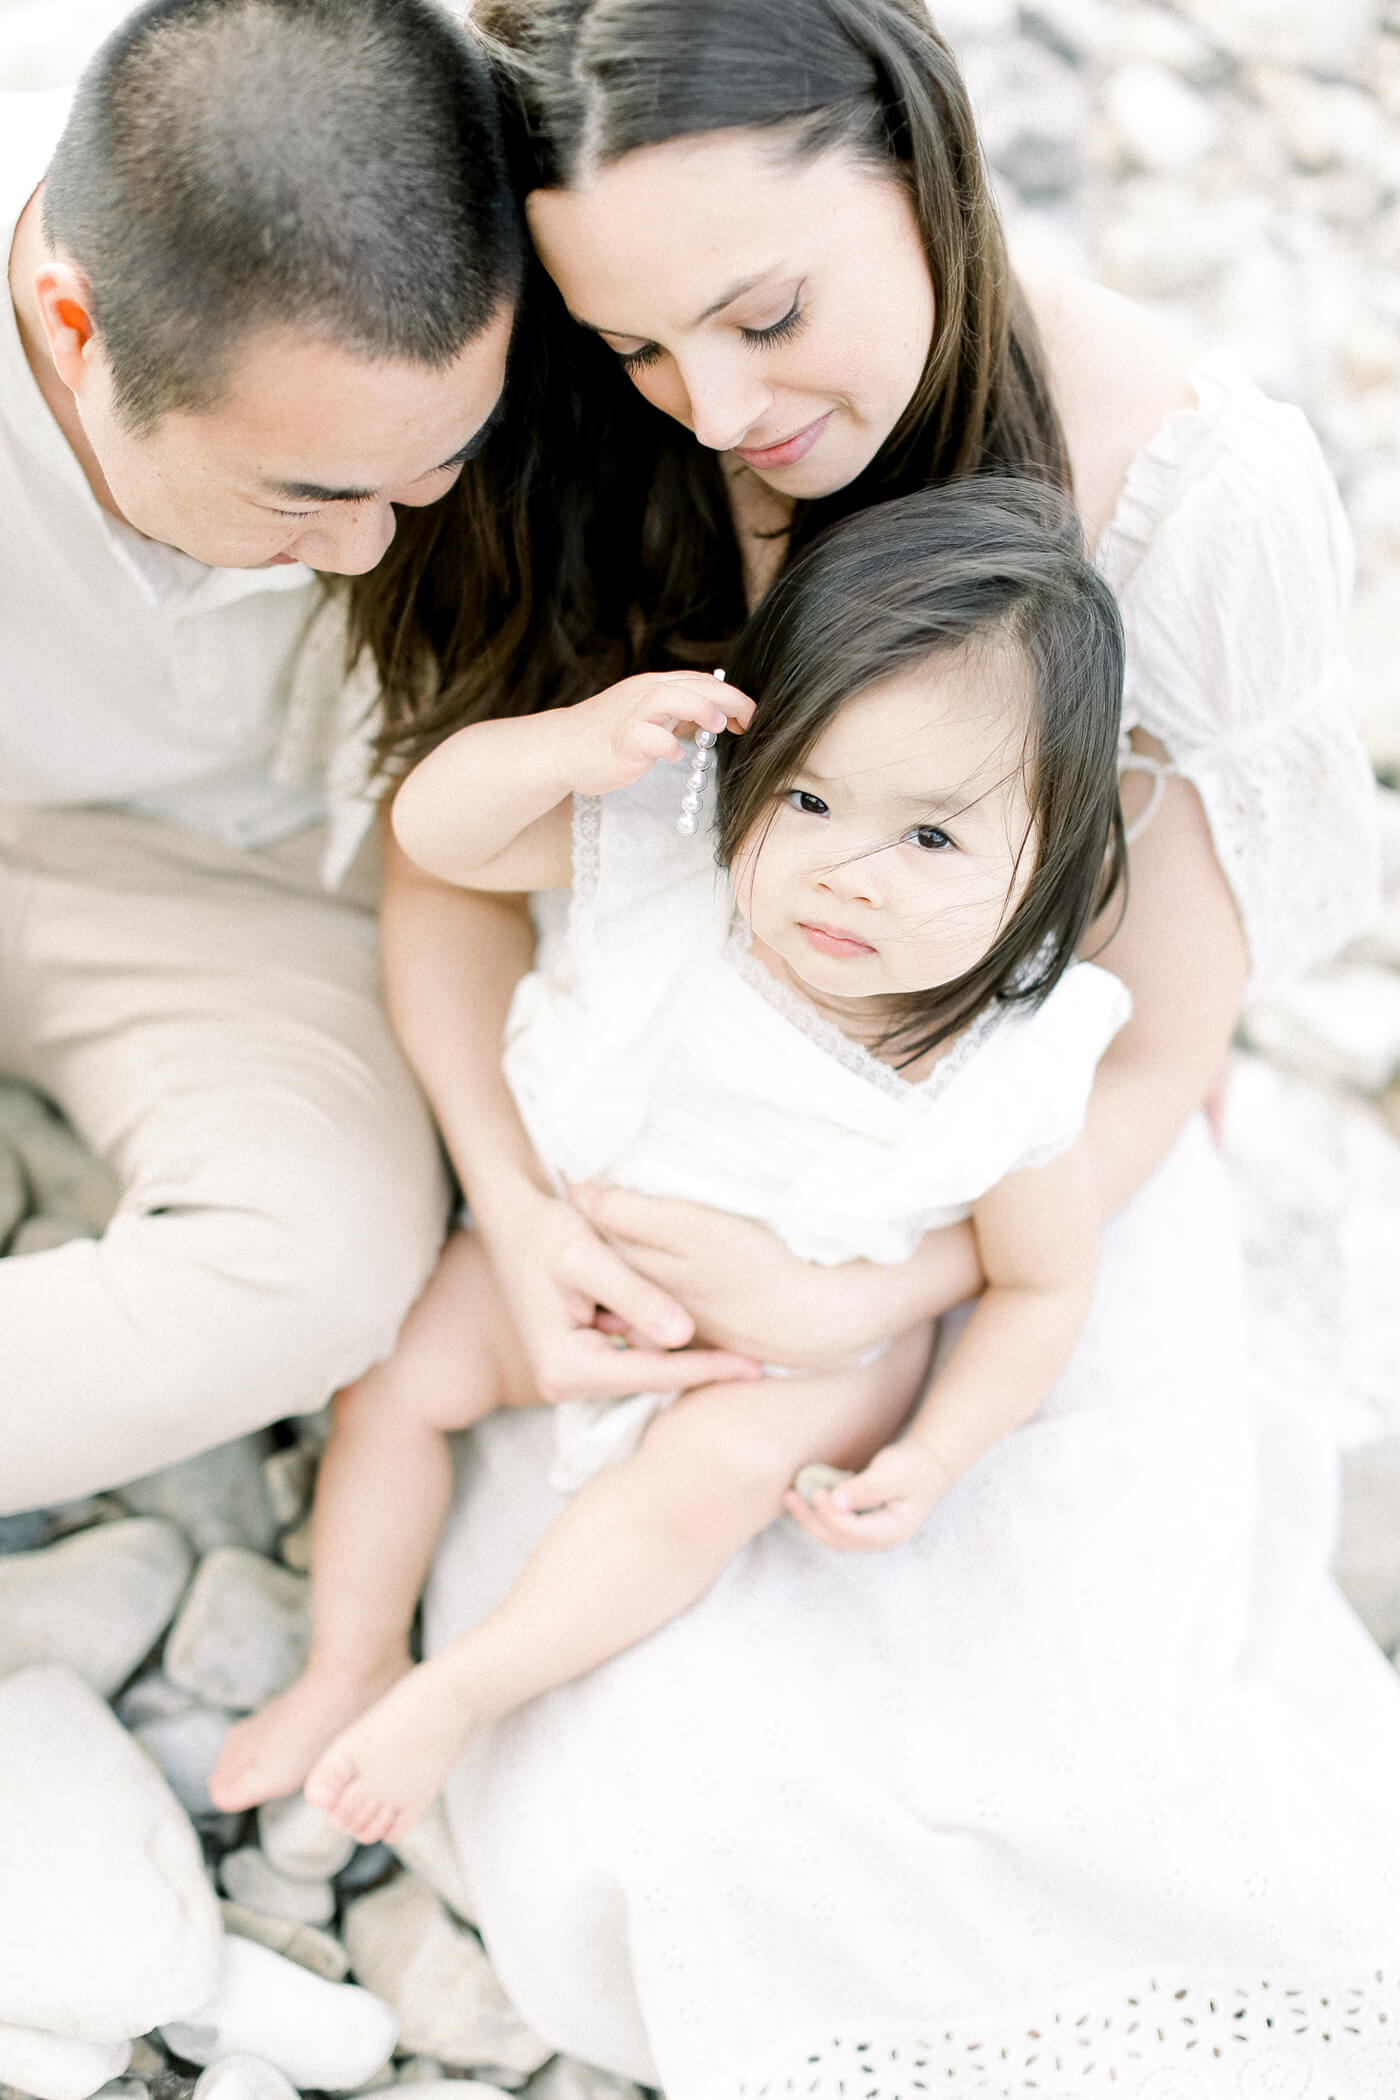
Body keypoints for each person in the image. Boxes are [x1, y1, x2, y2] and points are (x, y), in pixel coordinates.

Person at [341, 1, 1400, 2093]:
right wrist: (524, 1204)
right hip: (635, 1144)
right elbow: (448, 866)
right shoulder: (581, 411)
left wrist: (873, 1284)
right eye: (642, 348)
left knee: (1043, 1791)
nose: (716, 406)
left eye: (764, 313)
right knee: (678, 1815)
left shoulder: (1185, 487)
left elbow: (1155, 1044)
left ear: (922, 161)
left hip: (1006, 1182)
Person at [209, 482, 1134, 1839]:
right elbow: (437, 833)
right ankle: (351, 1656)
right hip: (580, 1248)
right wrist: (569, 745)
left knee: (699, 1488)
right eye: (810, 795)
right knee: (397, 1381)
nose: (848, 874)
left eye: (931, 835)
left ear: (1047, 855)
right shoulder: (677, 860)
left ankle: (467, 1686)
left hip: (793, 1346)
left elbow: (1040, 1286)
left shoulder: (1004, 1065)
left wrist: (934, 1454)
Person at [0, 0, 521, 1512]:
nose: (366, 546)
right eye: (305, 493)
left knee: (323, 1263)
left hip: (257, 897)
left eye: (436, 468)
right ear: (73, 321)